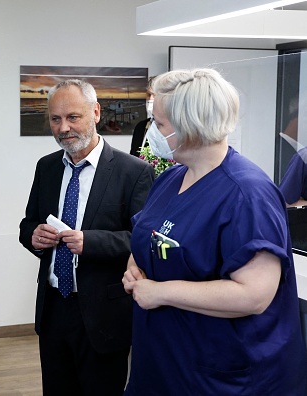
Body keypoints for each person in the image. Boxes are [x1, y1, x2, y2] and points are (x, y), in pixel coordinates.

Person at [122, 68, 307, 395]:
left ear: (189, 128)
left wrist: (160, 291)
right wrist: (134, 268)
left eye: (160, 124)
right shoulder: (170, 180)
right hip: (164, 361)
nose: (151, 131)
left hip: (223, 374)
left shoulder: (247, 195)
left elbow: (253, 295)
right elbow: (146, 236)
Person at [19, 79, 154, 395]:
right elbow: (28, 224)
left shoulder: (133, 172)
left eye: (73, 117)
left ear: (95, 112)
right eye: (55, 119)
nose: (63, 127)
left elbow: (143, 240)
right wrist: (33, 236)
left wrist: (90, 242)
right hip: (53, 309)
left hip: (104, 315)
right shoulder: (47, 167)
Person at [129, 76, 154, 156]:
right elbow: (133, 156)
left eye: (155, 95)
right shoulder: (141, 126)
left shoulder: (173, 128)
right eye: (149, 95)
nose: (150, 99)